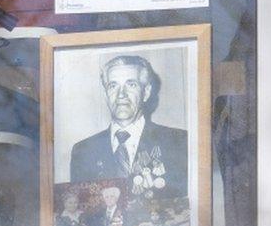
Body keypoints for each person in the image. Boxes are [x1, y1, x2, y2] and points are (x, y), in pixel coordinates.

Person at [70, 55, 188, 199]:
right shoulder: (83, 152)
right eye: (113, 86)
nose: (121, 95)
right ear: (106, 95)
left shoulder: (179, 142)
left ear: (146, 92)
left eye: (131, 85)